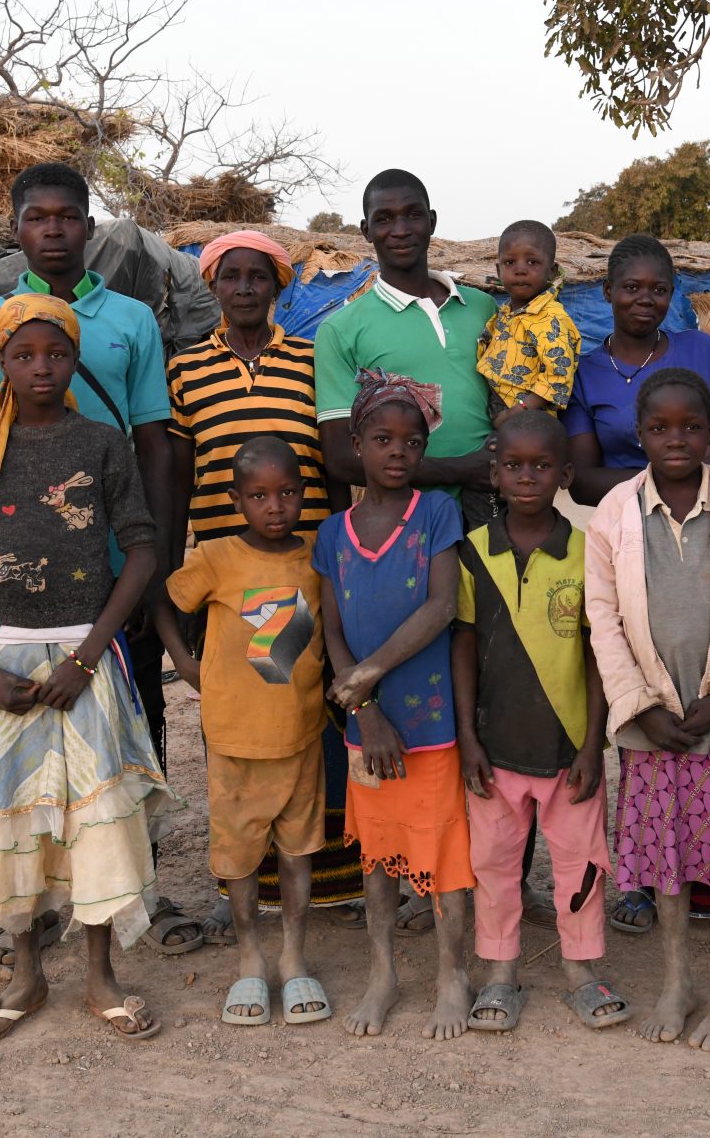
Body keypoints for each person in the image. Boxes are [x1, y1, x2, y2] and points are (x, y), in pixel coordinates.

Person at [0, 161, 192, 961]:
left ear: (89, 224)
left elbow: (153, 435)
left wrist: (157, 550)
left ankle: (128, 883)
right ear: (15, 227)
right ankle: (34, 898)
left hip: (114, 566)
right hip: (25, 575)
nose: (54, 229)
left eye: (68, 216)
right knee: (21, 727)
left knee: (130, 719)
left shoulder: (130, 319)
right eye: (37, 217)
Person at [0, 293, 169, 1045]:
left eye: (56, 354)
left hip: (84, 660)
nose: (41, 367)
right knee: (20, 817)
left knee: (90, 821)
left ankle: (100, 977)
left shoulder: (101, 443)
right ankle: (26, 973)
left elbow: (143, 546)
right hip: (5, 665)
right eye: (23, 355)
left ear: (75, 359)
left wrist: (88, 656)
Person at [167, 230, 362, 929]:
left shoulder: (312, 363)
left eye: (259, 276)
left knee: (298, 713)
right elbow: (177, 473)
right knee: (242, 725)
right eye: (231, 276)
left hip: (300, 573)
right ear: (213, 286)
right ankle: (245, 884)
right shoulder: (186, 371)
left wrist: (342, 552)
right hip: (225, 580)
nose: (245, 287)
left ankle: (322, 881)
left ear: (280, 287)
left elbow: (334, 468)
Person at [586, 368, 710, 1053]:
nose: (676, 439)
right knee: (666, 858)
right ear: (639, 434)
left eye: (691, 427)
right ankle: (677, 978)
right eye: (661, 428)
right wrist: (639, 707)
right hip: (653, 722)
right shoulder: (613, 512)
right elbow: (602, 619)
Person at [312, 371, 476, 1039]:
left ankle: (452, 975)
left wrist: (370, 675)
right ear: (356, 444)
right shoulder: (333, 532)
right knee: (377, 856)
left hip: (431, 724)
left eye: (411, 440)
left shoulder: (437, 513)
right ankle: (383, 973)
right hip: (367, 728)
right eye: (382, 438)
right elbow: (331, 629)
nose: (398, 452)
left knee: (443, 857)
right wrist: (364, 708)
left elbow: (442, 606)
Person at [453, 413, 628, 1033]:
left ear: (566, 474)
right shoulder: (472, 552)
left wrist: (591, 743)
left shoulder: (587, 552)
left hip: (567, 747)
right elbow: (465, 646)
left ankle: (582, 967)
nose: (527, 477)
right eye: (513, 466)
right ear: (494, 472)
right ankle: (500, 971)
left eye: (542, 466)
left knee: (580, 860)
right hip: (494, 746)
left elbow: (597, 651)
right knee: (494, 863)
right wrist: (468, 738)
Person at [165, 435, 333, 1028]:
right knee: (237, 858)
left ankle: (292, 955)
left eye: (288, 493)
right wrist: (186, 665)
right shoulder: (215, 558)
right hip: (234, 741)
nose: (275, 507)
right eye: (259, 495)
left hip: (302, 735)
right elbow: (167, 600)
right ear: (237, 500)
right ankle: (248, 959)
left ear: (303, 494)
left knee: (297, 851)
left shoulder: (317, 555)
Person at [316, 169, 499, 526]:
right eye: (384, 219)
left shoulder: (483, 308)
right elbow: (340, 457)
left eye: (412, 215)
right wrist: (461, 470)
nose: (400, 230)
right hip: (405, 525)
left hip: (492, 512)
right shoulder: (340, 330)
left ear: (431, 221)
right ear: (366, 231)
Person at [565, 234, 710, 510]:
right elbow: (583, 484)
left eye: (659, 290)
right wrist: (686, 472)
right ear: (608, 290)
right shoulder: (584, 374)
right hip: (628, 529)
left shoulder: (703, 351)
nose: (645, 299)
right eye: (631, 287)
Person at [476, 218, 580, 426]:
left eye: (532, 262)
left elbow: (558, 376)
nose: (520, 269)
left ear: (551, 270)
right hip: (499, 407)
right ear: (498, 271)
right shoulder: (503, 313)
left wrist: (519, 410)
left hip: (529, 416)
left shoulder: (551, 317)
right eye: (510, 262)